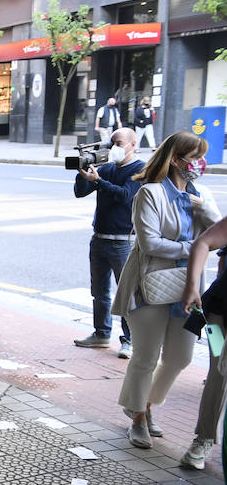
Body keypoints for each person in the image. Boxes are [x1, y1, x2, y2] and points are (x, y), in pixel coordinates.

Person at [112, 131, 220, 449]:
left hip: (188, 288)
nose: (199, 164)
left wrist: (202, 209)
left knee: (180, 357)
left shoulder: (200, 194)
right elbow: (150, 243)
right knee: (145, 357)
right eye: (194, 157)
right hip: (150, 284)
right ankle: (138, 417)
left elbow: (220, 232)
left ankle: (144, 403)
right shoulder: (151, 194)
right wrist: (194, 246)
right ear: (176, 159)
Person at [74, 127, 144, 357]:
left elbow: (125, 196)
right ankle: (101, 334)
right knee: (100, 292)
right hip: (99, 238)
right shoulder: (106, 168)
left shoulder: (140, 169)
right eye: (112, 142)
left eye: (120, 142)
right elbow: (80, 192)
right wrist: (82, 170)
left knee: (127, 293)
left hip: (123, 241)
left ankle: (130, 339)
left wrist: (99, 180)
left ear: (133, 144)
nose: (115, 147)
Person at [182, 221, 227, 471]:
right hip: (217, 311)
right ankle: (203, 440)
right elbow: (203, 242)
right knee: (220, 370)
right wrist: (191, 285)